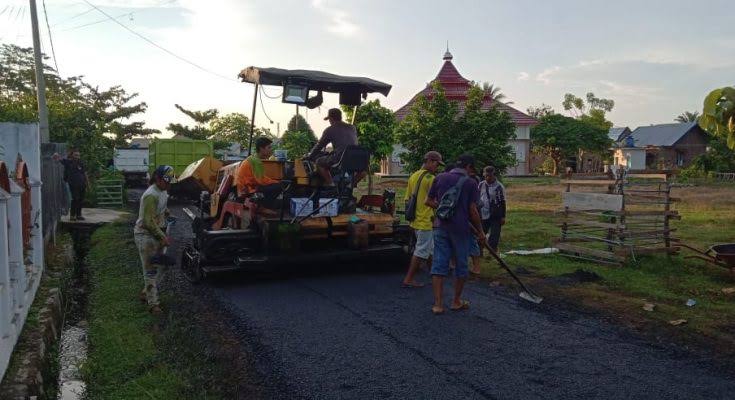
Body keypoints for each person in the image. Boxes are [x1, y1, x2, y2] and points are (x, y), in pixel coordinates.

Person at [425, 154, 485, 315]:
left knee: (439, 263)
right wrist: (480, 232)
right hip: (461, 230)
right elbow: (473, 210)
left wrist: (444, 209)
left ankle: (438, 305)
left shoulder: (440, 177)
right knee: (461, 265)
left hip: (440, 226)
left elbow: (428, 201)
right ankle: (456, 301)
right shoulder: (471, 183)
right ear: (469, 167)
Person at [134, 165, 175, 314]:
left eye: (170, 182)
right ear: (157, 179)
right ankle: (153, 304)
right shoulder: (151, 195)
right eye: (166, 181)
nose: (168, 184)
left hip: (156, 232)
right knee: (150, 270)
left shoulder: (163, 191)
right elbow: (148, 222)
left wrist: (166, 212)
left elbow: (160, 208)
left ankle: (146, 291)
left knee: (162, 265)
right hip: (145, 235)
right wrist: (162, 237)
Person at [401, 151, 444, 288]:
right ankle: (409, 279)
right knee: (421, 251)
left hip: (415, 220)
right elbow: (433, 200)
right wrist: (441, 207)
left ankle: (435, 273)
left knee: (430, 249)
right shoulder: (431, 178)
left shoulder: (413, 176)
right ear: (430, 161)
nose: (437, 167)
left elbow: (407, 199)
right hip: (426, 220)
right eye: (437, 164)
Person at [305, 108, 358, 186]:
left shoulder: (330, 130)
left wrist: (309, 156)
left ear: (331, 118)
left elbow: (319, 146)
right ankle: (349, 186)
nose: (329, 122)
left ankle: (331, 184)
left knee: (319, 162)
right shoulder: (352, 127)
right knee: (363, 171)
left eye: (329, 119)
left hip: (340, 158)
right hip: (355, 158)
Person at [235, 137, 282, 208]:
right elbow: (261, 181)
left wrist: (273, 181)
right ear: (261, 148)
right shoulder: (256, 161)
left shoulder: (253, 158)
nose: (271, 150)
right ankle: (263, 207)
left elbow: (261, 178)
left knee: (274, 185)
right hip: (248, 188)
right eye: (269, 148)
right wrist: (277, 182)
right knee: (278, 187)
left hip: (245, 187)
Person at [53, 149, 88, 221]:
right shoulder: (68, 162)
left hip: (82, 184)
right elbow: (60, 159)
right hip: (73, 184)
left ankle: (79, 215)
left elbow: (85, 173)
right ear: (72, 155)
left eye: (78, 155)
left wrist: (88, 183)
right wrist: (56, 156)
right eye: (75, 155)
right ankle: (72, 216)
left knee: (81, 200)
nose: (77, 156)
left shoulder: (81, 163)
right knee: (75, 199)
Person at [478, 166, 506, 252]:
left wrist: (503, 216)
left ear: (494, 175)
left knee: (494, 236)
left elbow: (502, 202)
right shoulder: (481, 185)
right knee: (480, 234)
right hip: (483, 213)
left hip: (495, 214)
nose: (487, 178)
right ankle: (479, 252)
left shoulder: (499, 187)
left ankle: (492, 253)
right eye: (485, 176)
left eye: (489, 176)